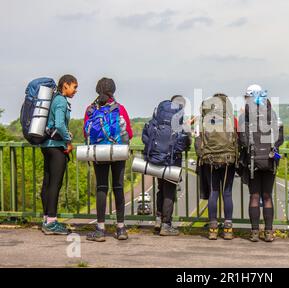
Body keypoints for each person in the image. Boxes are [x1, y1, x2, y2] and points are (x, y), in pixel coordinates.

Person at [85, 78, 133, 242]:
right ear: (114, 90)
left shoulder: (90, 109)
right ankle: (121, 229)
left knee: (101, 187)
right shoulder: (120, 109)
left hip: (100, 152)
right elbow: (129, 133)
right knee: (118, 187)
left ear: (97, 90)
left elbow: (87, 133)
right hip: (118, 152)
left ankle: (100, 229)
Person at [238, 85, 284, 243]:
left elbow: (242, 140)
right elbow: (280, 138)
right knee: (268, 196)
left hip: (252, 161)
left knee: (254, 196)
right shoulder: (273, 113)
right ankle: (269, 232)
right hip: (270, 161)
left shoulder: (245, 116)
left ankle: (254, 232)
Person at [144, 95, 191, 236]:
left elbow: (146, 136)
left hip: (157, 158)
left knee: (160, 189)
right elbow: (186, 143)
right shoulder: (181, 122)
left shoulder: (158, 118)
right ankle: (166, 224)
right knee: (169, 192)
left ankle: (158, 220)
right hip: (172, 161)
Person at [195, 93, 238, 240]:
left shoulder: (204, 120)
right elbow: (237, 137)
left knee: (213, 192)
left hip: (209, 160)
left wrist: (203, 156)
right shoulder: (231, 119)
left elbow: (197, 139)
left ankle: (213, 228)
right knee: (227, 193)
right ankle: (228, 229)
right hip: (228, 159)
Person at [41, 74, 78, 235]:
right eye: (74, 87)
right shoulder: (61, 101)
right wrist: (68, 140)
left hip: (46, 145)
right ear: (65, 85)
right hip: (56, 148)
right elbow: (59, 124)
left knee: (48, 183)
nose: (75, 90)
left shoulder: (54, 99)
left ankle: (46, 219)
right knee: (55, 184)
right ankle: (52, 222)